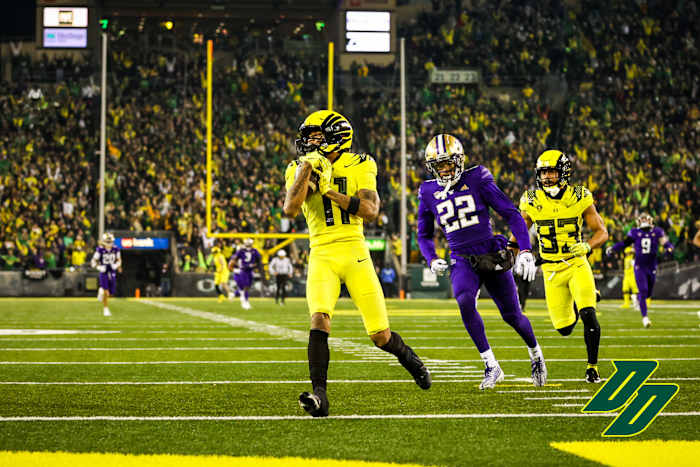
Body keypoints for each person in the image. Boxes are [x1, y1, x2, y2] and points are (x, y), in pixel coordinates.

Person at [284, 109, 431, 417]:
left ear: (336, 138)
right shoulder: (298, 167)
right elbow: (289, 208)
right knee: (319, 319)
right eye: (309, 136)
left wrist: (329, 191)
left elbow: (370, 209)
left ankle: (409, 358)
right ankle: (320, 397)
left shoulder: (360, 163)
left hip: (354, 250)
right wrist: (307, 172)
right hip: (321, 252)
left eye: (317, 137)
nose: (310, 142)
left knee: (380, 335)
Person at [417, 133, 545, 390]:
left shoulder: (477, 178)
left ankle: (536, 355)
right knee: (464, 301)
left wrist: (526, 250)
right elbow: (423, 234)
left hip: (490, 252)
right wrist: (431, 258)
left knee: (512, 315)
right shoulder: (428, 190)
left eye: (448, 163)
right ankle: (491, 366)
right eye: (439, 165)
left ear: (459, 160)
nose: (444, 169)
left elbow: (511, 213)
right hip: (461, 258)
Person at [516, 150, 608, 383]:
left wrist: (587, 246)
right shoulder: (531, 200)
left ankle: (592, 367)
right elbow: (519, 230)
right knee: (564, 329)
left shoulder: (580, 196)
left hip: (577, 263)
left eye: (552, 171)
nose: (547, 177)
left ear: (563, 172)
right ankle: (581, 302)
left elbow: (602, 232)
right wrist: (511, 251)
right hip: (550, 268)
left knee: (589, 314)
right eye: (544, 172)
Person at [607, 213, 673, 328]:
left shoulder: (657, 231)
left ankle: (636, 299)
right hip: (639, 266)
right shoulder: (634, 233)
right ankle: (645, 318)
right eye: (641, 219)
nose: (644, 221)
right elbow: (624, 243)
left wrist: (669, 247)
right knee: (643, 290)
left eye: (645, 219)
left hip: (652, 266)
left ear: (650, 221)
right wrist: (613, 248)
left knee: (648, 293)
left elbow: (665, 242)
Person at [90, 232, 122, 317]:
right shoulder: (100, 250)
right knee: (106, 291)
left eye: (110, 241)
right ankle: (106, 309)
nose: (109, 243)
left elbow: (119, 260)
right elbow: (93, 261)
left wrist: (117, 265)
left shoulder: (116, 249)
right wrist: (99, 267)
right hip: (104, 271)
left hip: (112, 270)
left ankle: (101, 289)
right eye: (107, 241)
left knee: (110, 292)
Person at [230, 238, 260, 310]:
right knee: (245, 287)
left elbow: (258, 260)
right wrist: (237, 265)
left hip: (250, 270)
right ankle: (245, 302)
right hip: (243, 271)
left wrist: (254, 265)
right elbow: (234, 259)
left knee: (247, 287)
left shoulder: (254, 251)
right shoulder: (241, 251)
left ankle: (234, 294)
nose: (248, 245)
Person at [619, 246, 639, 311]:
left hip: (632, 275)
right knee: (625, 289)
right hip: (626, 276)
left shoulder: (633, 259)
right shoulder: (626, 258)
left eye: (628, 252)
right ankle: (626, 303)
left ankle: (637, 303)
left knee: (635, 290)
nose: (627, 253)